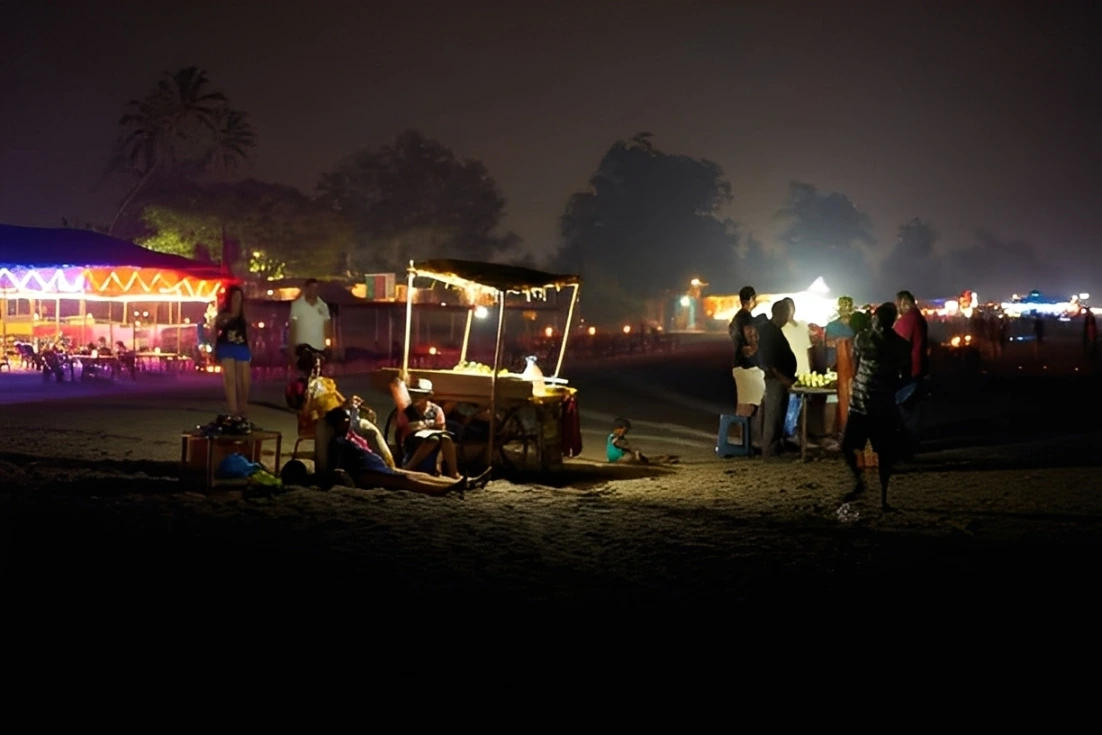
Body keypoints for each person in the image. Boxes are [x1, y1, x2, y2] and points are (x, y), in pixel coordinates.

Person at [841, 302, 911, 510]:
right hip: (868, 405)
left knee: (883, 454)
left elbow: (856, 366)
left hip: (874, 407)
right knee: (851, 447)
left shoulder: (870, 340)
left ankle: (880, 497)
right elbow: (904, 375)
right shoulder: (888, 343)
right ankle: (867, 488)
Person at [325, 407, 487, 496]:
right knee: (407, 479)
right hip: (366, 472)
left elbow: (358, 422)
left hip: (376, 468)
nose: (349, 422)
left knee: (418, 475)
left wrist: (356, 410)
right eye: (345, 420)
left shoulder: (350, 436)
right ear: (337, 424)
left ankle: (463, 483)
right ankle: (448, 488)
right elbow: (338, 467)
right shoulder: (339, 442)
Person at [396, 378, 461, 478]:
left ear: (428, 396)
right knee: (433, 440)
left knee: (445, 438)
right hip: (413, 443)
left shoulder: (436, 410)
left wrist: (438, 462)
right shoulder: (406, 412)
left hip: (433, 440)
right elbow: (399, 432)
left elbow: (442, 429)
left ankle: (453, 472)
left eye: (420, 395)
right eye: (413, 394)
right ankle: (409, 468)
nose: (415, 398)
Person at [756, 300, 797, 458]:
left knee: (779, 414)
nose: (788, 318)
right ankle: (770, 450)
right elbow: (769, 361)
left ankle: (776, 446)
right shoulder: (769, 332)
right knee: (773, 415)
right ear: (780, 314)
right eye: (787, 315)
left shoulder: (774, 330)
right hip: (776, 379)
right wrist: (783, 378)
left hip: (780, 378)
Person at [893, 290, 928, 458]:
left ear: (904, 302)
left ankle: (908, 447)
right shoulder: (918, 317)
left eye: (898, 303)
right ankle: (912, 444)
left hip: (907, 371)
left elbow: (898, 343)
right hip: (917, 369)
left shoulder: (908, 320)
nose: (897, 307)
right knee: (913, 409)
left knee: (905, 409)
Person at [214, 285, 251, 420]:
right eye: (234, 297)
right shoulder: (224, 312)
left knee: (243, 379)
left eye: (239, 298)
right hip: (226, 345)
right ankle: (233, 411)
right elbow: (217, 326)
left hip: (241, 346)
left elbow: (250, 330)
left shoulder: (245, 312)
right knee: (230, 379)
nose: (237, 300)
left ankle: (243, 407)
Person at [728, 286, 764, 419]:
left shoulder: (736, 318)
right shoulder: (747, 318)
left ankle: (744, 434)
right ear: (752, 299)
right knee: (749, 405)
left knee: (744, 402)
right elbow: (751, 341)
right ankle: (744, 435)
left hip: (739, 364)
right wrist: (757, 348)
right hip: (748, 367)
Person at [780, 297, 812, 440]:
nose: (790, 311)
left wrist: (810, 370)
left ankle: (794, 433)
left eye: (791, 307)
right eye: (787, 308)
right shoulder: (780, 328)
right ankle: (789, 434)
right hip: (790, 373)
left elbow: (808, 349)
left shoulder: (802, 326)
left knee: (799, 406)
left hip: (804, 373)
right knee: (790, 404)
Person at [290, 278, 331, 375]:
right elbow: (293, 327)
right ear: (306, 289)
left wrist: (328, 345)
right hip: (302, 347)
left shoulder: (323, 306)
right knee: (305, 375)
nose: (313, 291)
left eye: (316, 288)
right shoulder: (297, 305)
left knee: (317, 375)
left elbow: (327, 326)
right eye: (311, 288)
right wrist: (291, 346)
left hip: (319, 348)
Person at [606, 417, 678, 464]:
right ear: (619, 428)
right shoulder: (615, 438)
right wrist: (635, 451)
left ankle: (663, 458)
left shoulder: (616, 437)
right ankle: (664, 460)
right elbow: (620, 444)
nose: (626, 432)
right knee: (642, 460)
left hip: (619, 459)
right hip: (619, 461)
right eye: (625, 430)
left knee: (645, 459)